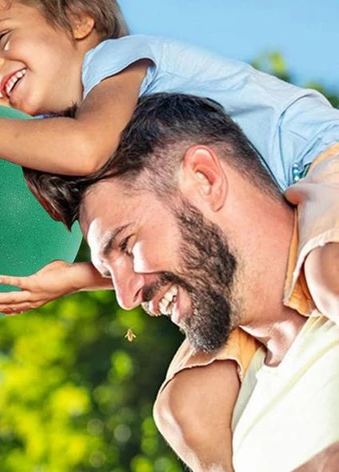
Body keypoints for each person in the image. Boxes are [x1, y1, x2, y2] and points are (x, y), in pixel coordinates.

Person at [0, 0, 339, 465]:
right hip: (279, 213)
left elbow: (84, 150)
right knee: (184, 406)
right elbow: (178, 245)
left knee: (328, 271)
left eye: (3, 39)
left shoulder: (117, 63)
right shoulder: (118, 149)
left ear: (80, 21)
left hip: (324, 159)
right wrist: (80, 277)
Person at [21, 93, 339, 471]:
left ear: (204, 178)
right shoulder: (229, 422)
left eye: (127, 244)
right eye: (108, 274)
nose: (125, 297)